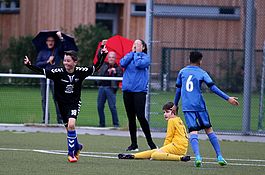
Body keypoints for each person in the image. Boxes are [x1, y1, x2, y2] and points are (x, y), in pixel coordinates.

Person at [24, 45, 108, 162]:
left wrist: (103, 54)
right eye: (64, 60)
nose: (66, 63)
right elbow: (42, 71)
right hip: (61, 104)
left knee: (71, 124)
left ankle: (71, 154)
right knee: (69, 128)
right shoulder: (57, 72)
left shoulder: (81, 72)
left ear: (75, 62)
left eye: (68, 61)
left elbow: (96, 67)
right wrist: (29, 65)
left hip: (74, 102)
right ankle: (77, 146)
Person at [172, 51, 239, 167]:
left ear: (189, 60)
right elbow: (213, 88)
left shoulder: (182, 72)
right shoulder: (202, 73)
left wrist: (175, 104)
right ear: (200, 61)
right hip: (199, 106)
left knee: (193, 131)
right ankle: (219, 156)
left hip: (187, 107)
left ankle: (198, 157)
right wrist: (228, 98)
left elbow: (178, 90)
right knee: (209, 130)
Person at [118, 102, 190, 162]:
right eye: (164, 112)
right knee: (155, 150)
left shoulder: (171, 120)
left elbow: (169, 137)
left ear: (174, 112)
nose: (165, 114)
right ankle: (132, 156)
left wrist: (163, 150)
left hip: (177, 146)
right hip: (182, 147)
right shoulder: (178, 119)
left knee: (154, 155)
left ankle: (180, 158)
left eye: (167, 112)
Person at [120, 39, 157, 151]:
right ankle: (133, 144)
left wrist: (137, 54)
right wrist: (132, 53)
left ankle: (151, 143)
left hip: (139, 92)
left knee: (140, 116)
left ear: (143, 47)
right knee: (131, 118)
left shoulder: (145, 58)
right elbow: (122, 63)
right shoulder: (130, 56)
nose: (135, 46)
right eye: (134, 44)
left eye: (138, 44)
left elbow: (139, 64)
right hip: (127, 91)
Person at [36, 31, 68, 124]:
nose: (50, 42)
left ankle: (60, 119)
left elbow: (65, 49)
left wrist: (61, 38)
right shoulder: (42, 52)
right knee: (44, 99)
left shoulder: (57, 51)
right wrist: (47, 61)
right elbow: (37, 64)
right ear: (46, 42)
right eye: (49, 40)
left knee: (57, 98)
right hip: (44, 78)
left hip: (55, 78)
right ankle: (45, 119)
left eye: (52, 40)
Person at [97, 51, 123, 127]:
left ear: (115, 59)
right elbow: (100, 75)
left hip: (111, 89)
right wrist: (107, 71)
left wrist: (115, 72)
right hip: (102, 88)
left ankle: (116, 124)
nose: (111, 59)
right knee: (99, 106)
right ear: (107, 58)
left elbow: (120, 77)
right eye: (110, 57)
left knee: (112, 107)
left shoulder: (118, 68)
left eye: (113, 57)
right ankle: (102, 123)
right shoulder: (103, 66)